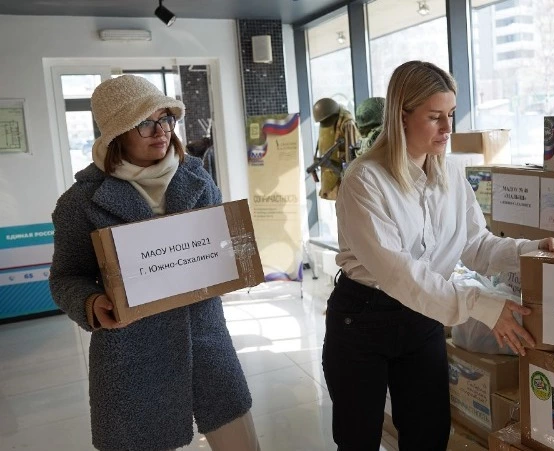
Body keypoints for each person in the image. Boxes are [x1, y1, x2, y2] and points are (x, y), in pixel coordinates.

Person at [322, 60, 554, 451]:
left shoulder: (451, 174)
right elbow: (401, 274)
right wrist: (482, 305)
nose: (448, 128)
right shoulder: (364, 180)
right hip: (363, 320)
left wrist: (532, 250)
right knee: (358, 438)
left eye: (450, 114)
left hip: (424, 317)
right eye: (435, 117)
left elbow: (477, 246)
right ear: (401, 116)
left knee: (429, 434)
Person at [48, 75, 259, 451]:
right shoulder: (79, 202)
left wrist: (238, 258)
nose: (160, 131)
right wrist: (92, 303)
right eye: (146, 122)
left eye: (166, 119)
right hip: (132, 356)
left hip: (207, 340)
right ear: (117, 133)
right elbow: (66, 277)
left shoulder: (197, 177)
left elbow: (222, 244)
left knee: (241, 442)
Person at [311, 98, 360, 200]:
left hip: (344, 177)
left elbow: (353, 154)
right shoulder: (327, 123)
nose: (325, 124)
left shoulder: (347, 124)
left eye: (326, 121)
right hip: (333, 179)